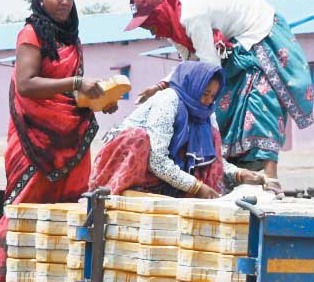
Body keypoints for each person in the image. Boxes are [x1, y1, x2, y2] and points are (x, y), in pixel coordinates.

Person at [0, 0, 119, 282]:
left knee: (71, 207)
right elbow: (26, 85)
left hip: (72, 135)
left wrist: (98, 99)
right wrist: (76, 83)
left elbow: (71, 91)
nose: (65, 2)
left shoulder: (72, 39)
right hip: (35, 138)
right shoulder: (30, 34)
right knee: (21, 207)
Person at [125, 0, 314, 180]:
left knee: (259, 99)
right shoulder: (174, 29)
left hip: (258, 28)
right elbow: (189, 64)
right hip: (232, 42)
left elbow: (208, 66)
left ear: (161, 12)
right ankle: (235, 174)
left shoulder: (192, 17)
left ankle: (270, 178)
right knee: (225, 106)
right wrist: (159, 86)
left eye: (150, 24)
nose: (152, 32)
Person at [91, 61, 278, 198]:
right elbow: (157, 161)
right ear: (193, 86)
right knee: (138, 138)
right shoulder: (168, 100)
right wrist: (197, 188)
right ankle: (123, 193)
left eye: (213, 96)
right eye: (204, 94)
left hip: (167, 179)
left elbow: (213, 159)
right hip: (134, 169)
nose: (207, 100)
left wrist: (239, 174)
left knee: (211, 136)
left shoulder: (206, 113)